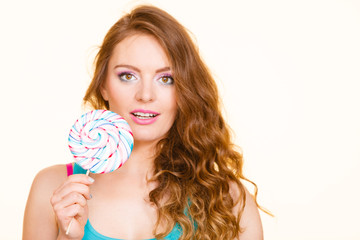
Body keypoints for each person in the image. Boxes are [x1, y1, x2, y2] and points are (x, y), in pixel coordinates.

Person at [23, 5, 264, 240]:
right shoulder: (52, 188)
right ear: (103, 85)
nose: (146, 94)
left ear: (185, 90)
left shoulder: (227, 200)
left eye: (166, 79)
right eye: (128, 76)